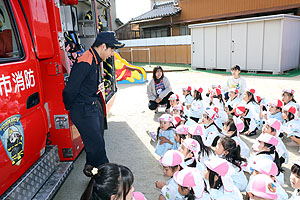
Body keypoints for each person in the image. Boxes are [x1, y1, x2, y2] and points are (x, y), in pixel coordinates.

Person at [63, 31, 124, 176]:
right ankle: (109, 179)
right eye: (112, 49)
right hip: (83, 109)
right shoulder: (86, 61)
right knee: (98, 147)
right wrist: (71, 107)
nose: (112, 53)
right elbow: (69, 90)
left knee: (95, 142)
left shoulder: (95, 59)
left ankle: (90, 167)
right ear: (103, 46)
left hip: (91, 106)